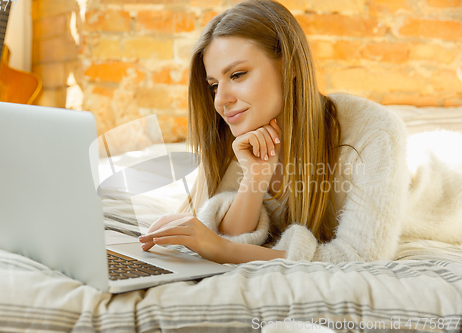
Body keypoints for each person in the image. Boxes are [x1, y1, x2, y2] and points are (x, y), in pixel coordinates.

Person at [138, 0, 412, 264]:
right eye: (213, 85)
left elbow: (360, 258)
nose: (220, 100)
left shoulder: (377, 134)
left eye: (237, 75)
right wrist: (255, 177)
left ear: (289, 66)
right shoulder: (239, 133)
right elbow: (229, 232)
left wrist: (224, 251)